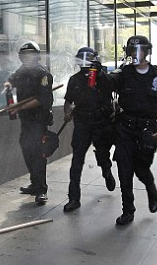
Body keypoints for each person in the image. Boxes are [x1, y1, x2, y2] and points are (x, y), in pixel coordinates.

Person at [108, 36, 157, 226]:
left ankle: (151, 189)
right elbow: (108, 83)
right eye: (132, 51)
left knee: (141, 169)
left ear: (147, 52)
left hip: (147, 131)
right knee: (124, 170)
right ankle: (128, 210)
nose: (136, 54)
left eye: (140, 50)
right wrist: (98, 74)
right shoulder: (123, 74)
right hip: (125, 129)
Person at [62, 47, 116, 213]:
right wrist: (67, 113)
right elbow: (68, 101)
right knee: (76, 161)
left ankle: (107, 172)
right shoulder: (74, 80)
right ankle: (73, 198)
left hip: (101, 123)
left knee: (102, 155)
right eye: (82, 59)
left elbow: (113, 87)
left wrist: (100, 74)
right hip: (82, 123)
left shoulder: (102, 78)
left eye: (88, 59)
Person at [4, 40, 54, 204]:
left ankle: (41, 190)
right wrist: (8, 84)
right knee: (26, 149)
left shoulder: (43, 74)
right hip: (26, 120)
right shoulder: (23, 71)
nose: (27, 58)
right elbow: (13, 77)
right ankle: (35, 183)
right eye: (24, 55)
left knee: (39, 154)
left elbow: (42, 99)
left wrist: (20, 107)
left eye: (30, 55)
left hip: (38, 120)